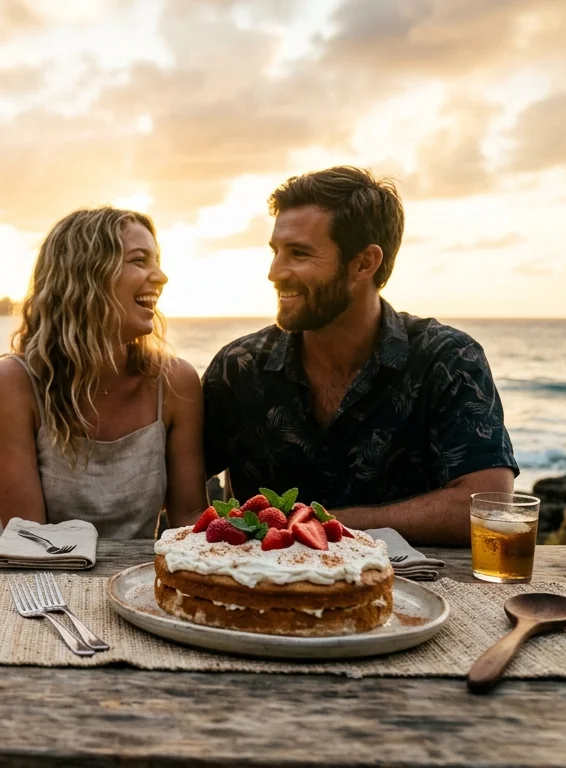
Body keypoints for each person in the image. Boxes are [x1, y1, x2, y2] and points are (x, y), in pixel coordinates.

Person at [202, 166, 517, 546]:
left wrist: (325, 523)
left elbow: (489, 509)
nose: (275, 272)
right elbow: (174, 487)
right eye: (276, 251)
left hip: (411, 583)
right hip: (259, 582)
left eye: (299, 253)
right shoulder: (239, 367)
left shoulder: (446, 360)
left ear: (364, 263)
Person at [0, 207, 206, 538]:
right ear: (86, 276)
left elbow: (189, 516)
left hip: (132, 570)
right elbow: (30, 538)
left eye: (156, 261)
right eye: (139, 260)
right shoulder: (12, 384)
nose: (161, 276)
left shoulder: (175, 383)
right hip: (27, 564)